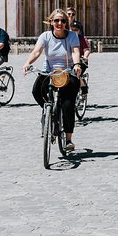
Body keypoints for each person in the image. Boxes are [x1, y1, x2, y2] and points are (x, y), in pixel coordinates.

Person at [22, 9, 82, 151]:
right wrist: (28, 63)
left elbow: (75, 51)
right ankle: (48, 110)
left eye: (62, 20)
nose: (59, 23)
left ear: (66, 23)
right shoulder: (46, 36)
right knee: (36, 91)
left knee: (68, 105)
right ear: (51, 22)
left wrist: (77, 64)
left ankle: (68, 139)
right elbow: (37, 51)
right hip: (49, 71)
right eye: (56, 20)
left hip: (67, 71)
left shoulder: (72, 36)